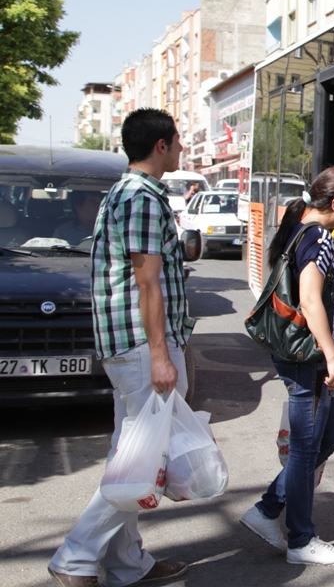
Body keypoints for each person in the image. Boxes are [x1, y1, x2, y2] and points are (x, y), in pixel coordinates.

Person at [48, 108, 193, 587]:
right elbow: (148, 283)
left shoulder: (125, 192)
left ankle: (127, 563)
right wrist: (160, 356)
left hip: (129, 344)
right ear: (161, 146)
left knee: (129, 457)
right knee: (142, 463)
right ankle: (75, 556)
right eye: (177, 140)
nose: (181, 148)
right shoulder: (142, 198)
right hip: (141, 346)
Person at [239, 165, 334, 567]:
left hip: (301, 354)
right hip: (307, 357)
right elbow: (310, 300)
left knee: (331, 434)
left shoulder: (301, 228)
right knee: (305, 449)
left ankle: (267, 510)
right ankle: (300, 539)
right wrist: (332, 356)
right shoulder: (319, 238)